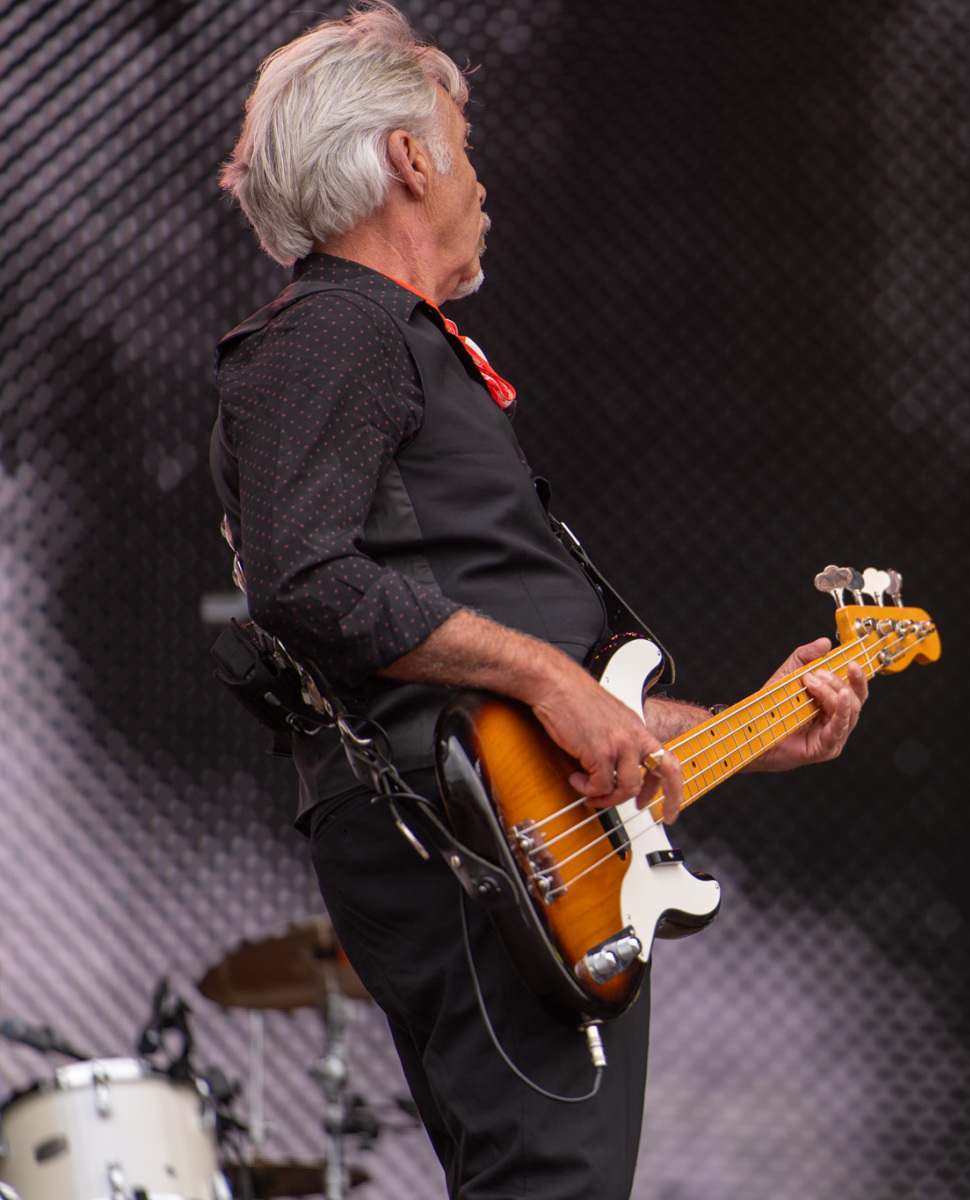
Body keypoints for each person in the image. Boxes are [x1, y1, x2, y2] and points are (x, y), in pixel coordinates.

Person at [209, 5, 867, 1197]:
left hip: (513, 826)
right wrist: (550, 677)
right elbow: (303, 578)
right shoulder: (334, 327)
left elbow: (545, 695)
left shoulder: (383, 340)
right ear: (411, 159)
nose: (481, 178)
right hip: (463, 829)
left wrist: (750, 729)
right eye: (462, 145)